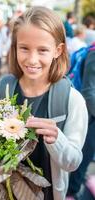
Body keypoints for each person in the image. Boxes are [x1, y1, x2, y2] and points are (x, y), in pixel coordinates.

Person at [0, 6, 88, 200]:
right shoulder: (0, 91)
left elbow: (73, 162)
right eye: (24, 48)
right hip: (6, 193)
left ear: (58, 50)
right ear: (14, 46)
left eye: (42, 50)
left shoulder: (72, 100)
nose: (32, 59)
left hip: (50, 194)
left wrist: (56, 139)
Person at [66, 45, 95, 200]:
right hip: (91, 116)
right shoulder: (94, 53)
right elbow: (88, 91)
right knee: (85, 154)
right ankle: (71, 192)